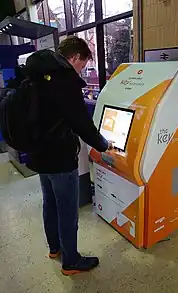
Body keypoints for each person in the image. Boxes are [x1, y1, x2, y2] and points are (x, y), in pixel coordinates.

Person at [25, 36, 112, 276]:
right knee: (67, 210)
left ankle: (55, 248)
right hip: (60, 157)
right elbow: (81, 122)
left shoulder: (38, 74)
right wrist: (104, 145)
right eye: (82, 64)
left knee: (50, 202)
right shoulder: (63, 79)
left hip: (40, 153)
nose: (81, 69)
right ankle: (71, 261)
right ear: (74, 57)